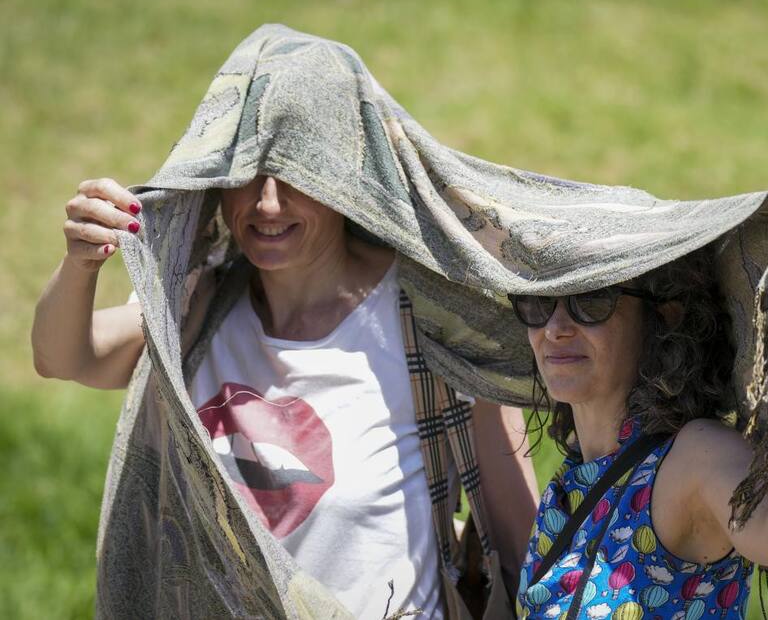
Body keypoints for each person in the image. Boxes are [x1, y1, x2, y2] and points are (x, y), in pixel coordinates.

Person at [32, 174, 540, 618]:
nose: (267, 204)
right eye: (245, 176)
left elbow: (523, 552)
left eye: (295, 177)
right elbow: (64, 357)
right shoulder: (199, 304)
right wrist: (81, 263)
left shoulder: (434, 320)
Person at [510, 182, 768, 619]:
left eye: (590, 300)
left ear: (663, 311)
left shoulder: (690, 459)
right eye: (537, 301)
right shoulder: (578, 476)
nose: (554, 328)